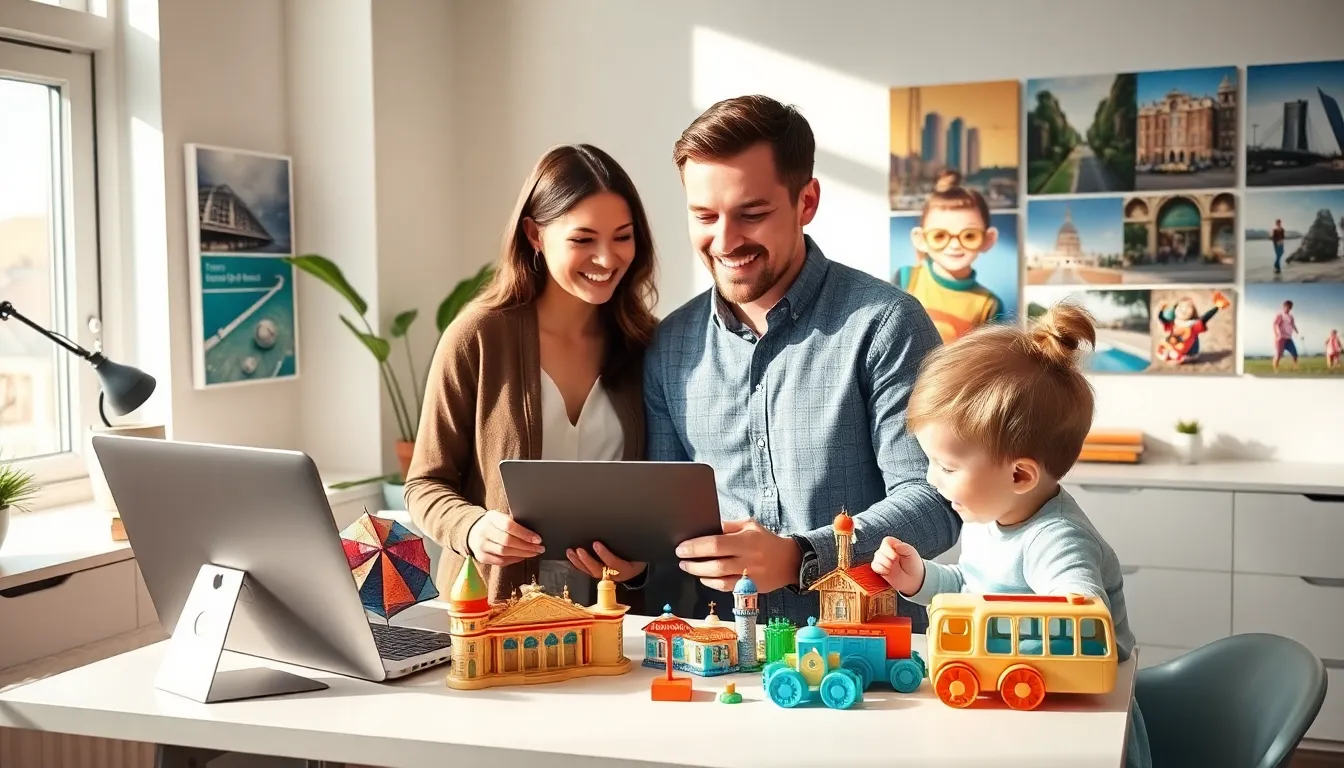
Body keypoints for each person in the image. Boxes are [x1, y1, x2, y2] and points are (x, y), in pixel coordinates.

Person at [643, 94, 960, 629]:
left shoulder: (887, 324)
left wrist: (799, 556)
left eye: (752, 213)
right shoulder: (670, 345)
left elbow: (935, 499)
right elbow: (667, 520)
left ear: (806, 201)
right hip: (722, 660)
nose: (725, 241)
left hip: (871, 657)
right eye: (704, 216)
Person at [871, 301, 1150, 768]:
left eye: (947, 466)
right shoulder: (989, 518)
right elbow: (971, 588)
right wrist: (919, 578)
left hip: (1075, 716)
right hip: (1011, 701)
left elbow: (1081, 614)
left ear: (1020, 475)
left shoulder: (1056, 539)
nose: (932, 480)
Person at [405, 144, 659, 609]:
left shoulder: (646, 345)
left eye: (622, 237)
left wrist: (640, 563)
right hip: (494, 613)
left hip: (612, 621)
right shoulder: (477, 336)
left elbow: (664, 495)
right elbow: (424, 484)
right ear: (534, 235)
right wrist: (473, 527)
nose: (607, 258)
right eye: (583, 240)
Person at [895, 169, 1007, 343]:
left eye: (969, 236)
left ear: (988, 239)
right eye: (940, 236)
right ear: (921, 239)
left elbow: (989, 362)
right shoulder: (905, 279)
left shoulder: (989, 304)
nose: (954, 245)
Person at [1273, 299, 1302, 372]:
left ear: (1291, 308)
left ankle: (1295, 367)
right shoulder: (1280, 315)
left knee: (1295, 353)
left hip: (1288, 338)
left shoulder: (1291, 316)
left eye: (1290, 307)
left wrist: (1298, 333)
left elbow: (1293, 325)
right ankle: (1276, 369)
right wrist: (1278, 334)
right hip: (1280, 338)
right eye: (1287, 307)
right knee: (1279, 355)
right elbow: (1275, 325)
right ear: (1284, 306)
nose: (1288, 308)